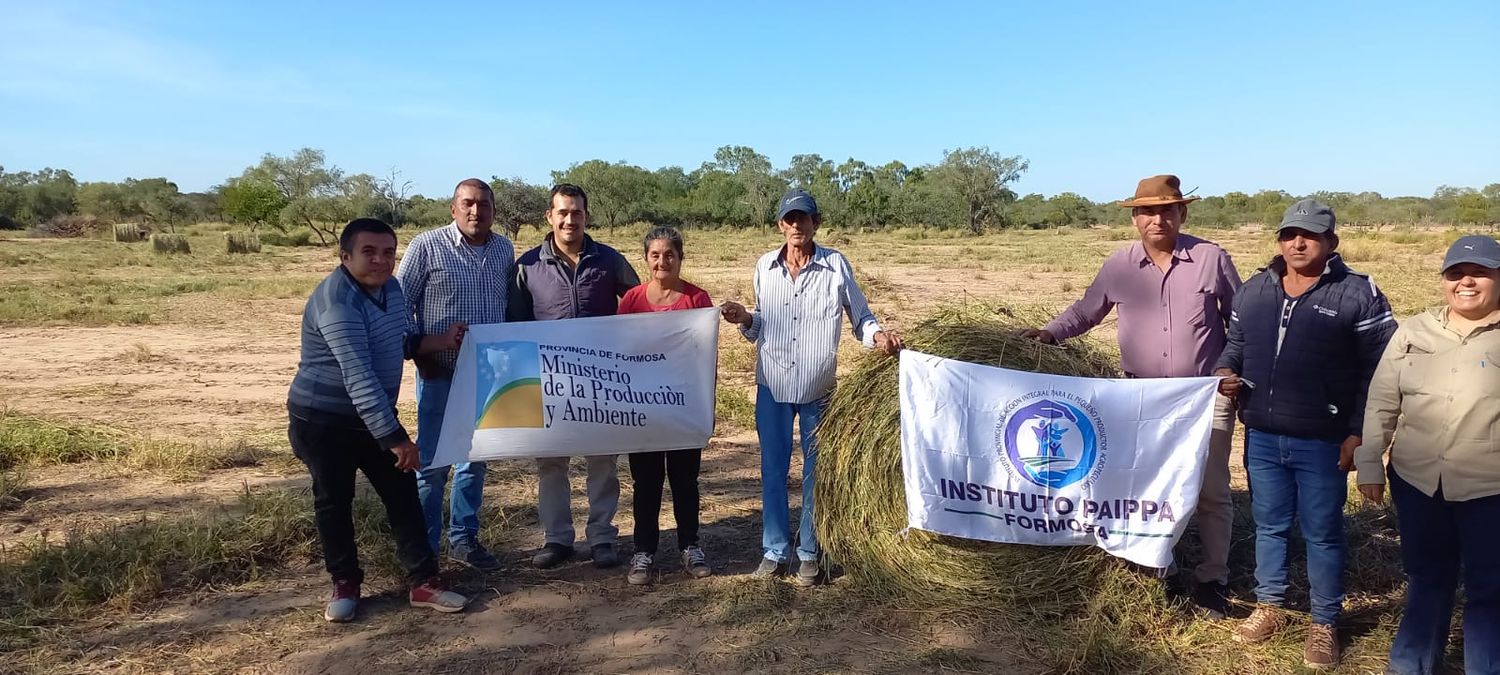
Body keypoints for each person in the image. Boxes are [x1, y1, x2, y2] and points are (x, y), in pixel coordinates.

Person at [1020, 174, 1241, 618]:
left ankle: (1212, 577)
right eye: (1147, 211)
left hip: (1204, 395)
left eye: (1166, 210)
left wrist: (1230, 369)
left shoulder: (1210, 259)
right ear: (1135, 218)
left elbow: (1240, 321)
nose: (1157, 218)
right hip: (1142, 399)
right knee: (1149, 485)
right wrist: (1048, 334)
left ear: (1182, 213)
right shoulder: (1119, 266)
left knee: (1212, 489)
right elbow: (1086, 311)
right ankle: (1162, 566)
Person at [1215, 199, 1396, 670]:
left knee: (1323, 532)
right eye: (1290, 234)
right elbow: (1234, 346)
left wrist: (1359, 432)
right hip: (1262, 437)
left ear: (1330, 243)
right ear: (1278, 240)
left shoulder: (1358, 294)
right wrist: (1224, 371)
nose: (1298, 242)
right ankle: (1270, 606)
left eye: (1310, 236)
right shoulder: (1253, 290)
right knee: (1269, 525)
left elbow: (1380, 371)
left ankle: (1323, 621)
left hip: (1323, 440)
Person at [287, 218, 469, 622]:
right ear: (345, 255)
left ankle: (423, 582)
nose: (381, 261)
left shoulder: (392, 288)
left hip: (371, 416)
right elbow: (359, 375)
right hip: (323, 421)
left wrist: (440, 341)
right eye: (369, 252)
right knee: (334, 501)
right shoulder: (337, 302)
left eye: (388, 252)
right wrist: (397, 439)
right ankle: (345, 584)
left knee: (402, 496)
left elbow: (400, 341)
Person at [720, 188, 901, 587]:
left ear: (816, 223)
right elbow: (762, 323)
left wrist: (879, 337)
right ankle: (774, 550)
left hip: (820, 388)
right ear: (780, 225)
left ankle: (809, 551)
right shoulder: (764, 267)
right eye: (789, 219)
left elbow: (861, 317)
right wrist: (745, 319)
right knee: (772, 471)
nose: (796, 226)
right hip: (773, 385)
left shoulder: (836, 265)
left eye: (803, 218)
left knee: (816, 473)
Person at [1356, 235, 1500, 675]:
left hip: (1489, 488)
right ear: (1443, 281)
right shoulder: (1415, 330)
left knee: (1489, 588)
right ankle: (1410, 665)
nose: (1466, 282)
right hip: (1418, 481)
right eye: (1455, 273)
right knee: (1425, 578)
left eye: (1479, 273)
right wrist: (1369, 463)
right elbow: (1382, 401)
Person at [509, 183, 641, 570]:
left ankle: (602, 537)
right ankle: (557, 539)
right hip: (546, 382)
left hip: (600, 382)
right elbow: (514, 325)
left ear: (586, 216)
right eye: (562, 212)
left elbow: (637, 306)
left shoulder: (609, 260)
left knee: (602, 461)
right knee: (551, 464)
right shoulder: (527, 265)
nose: (570, 219)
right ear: (549, 217)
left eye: (577, 212)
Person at [396, 178, 516, 572]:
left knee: (474, 461)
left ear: (494, 211)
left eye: (483, 204)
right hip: (439, 373)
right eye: (467, 203)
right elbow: (398, 306)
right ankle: (425, 550)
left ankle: (464, 540)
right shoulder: (425, 247)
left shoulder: (502, 249)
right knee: (431, 464)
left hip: (487, 376)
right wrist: (421, 349)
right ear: (453, 208)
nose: (475, 211)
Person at [615, 226, 716, 585]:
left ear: (680, 258)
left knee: (685, 480)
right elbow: (620, 352)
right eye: (655, 255)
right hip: (643, 408)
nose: (662, 261)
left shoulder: (697, 300)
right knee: (646, 481)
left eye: (669, 254)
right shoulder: (631, 301)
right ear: (646, 259)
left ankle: (690, 545)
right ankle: (644, 551)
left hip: (683, 406)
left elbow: (706, 356)